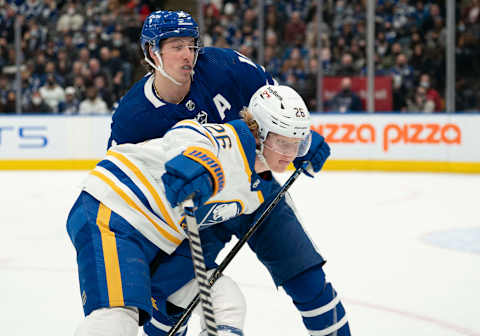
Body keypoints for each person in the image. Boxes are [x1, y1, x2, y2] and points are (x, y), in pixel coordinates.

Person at [107, 10, 351, 336]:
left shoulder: (224, 66)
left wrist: (302, 142)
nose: (188, 55)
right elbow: (125, 182)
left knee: (308, 281)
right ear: (153, 52)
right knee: (167, 304)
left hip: (254, 187)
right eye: (176, 46)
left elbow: (274, 104)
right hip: (193, 210)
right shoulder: (131, 118)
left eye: (191, 45)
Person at [68, 84, 328, 336]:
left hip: (162, 243)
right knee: (117, 319)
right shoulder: (225, 140)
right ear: (258, 132)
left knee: (226, 302)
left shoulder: (257, 191)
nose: (290, 154)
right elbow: (185, 134)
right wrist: (197, 161)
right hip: (116, 214)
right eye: (283, 143)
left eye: (297, 144)